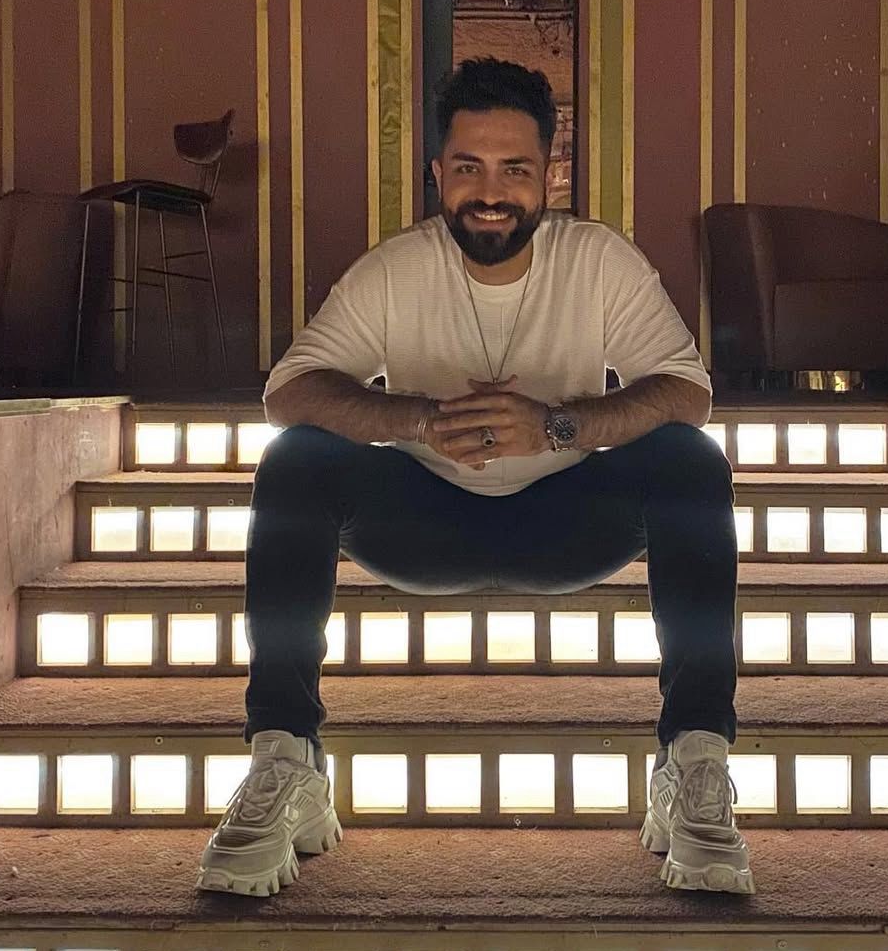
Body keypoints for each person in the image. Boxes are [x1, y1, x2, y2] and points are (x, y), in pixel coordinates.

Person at [197, 57, 753, 898]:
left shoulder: (599, 261)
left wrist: (557, 424)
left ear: (548, 176)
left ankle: (693, 763)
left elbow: (688, 391)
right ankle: (287, 757)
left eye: (514, 170)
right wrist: (417, 420)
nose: (490, 193)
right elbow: (290, 391)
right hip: (424, 521)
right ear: (438, 174)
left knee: (690, 463)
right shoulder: (397, 268)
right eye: (468, 169)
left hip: (563, 520)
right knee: (294, 462)